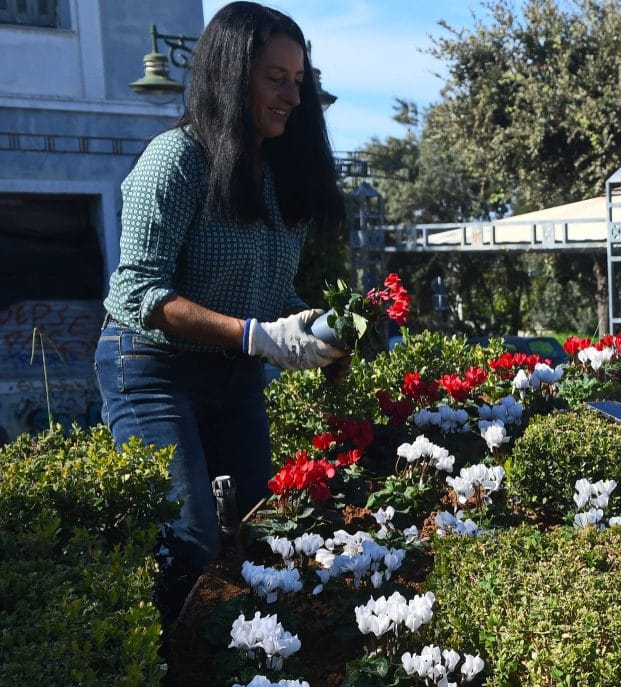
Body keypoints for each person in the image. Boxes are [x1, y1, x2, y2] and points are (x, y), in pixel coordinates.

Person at [94, 1, 345, 622]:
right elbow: (136, 293)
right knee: (190, 539)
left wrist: (315, 328)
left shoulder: (278, 175)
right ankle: (154, 661)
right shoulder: (175, 160)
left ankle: (241, 662)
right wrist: (257, 336)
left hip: (233, 373)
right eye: (275, 77)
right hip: (152, 370)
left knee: (256, 531)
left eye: (299, 79)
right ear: (233, 75)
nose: (292, 94)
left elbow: (268, 297)